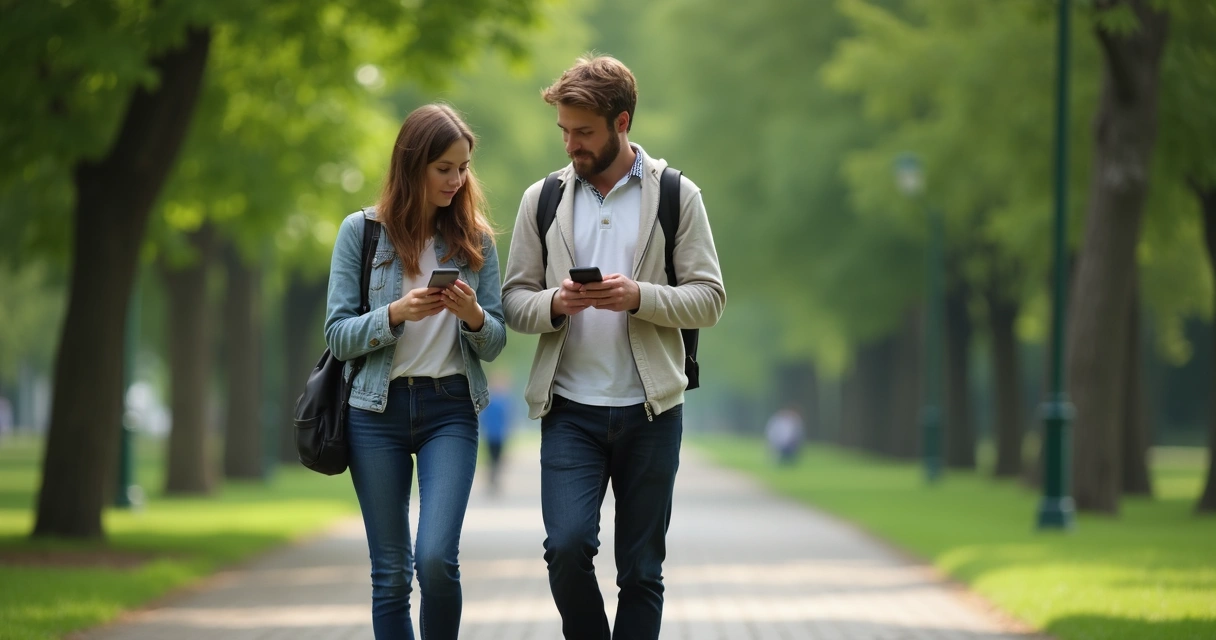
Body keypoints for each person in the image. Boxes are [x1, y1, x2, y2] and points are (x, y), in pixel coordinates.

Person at [501, 55, 726, 640]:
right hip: (570, 410)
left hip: (651, 411)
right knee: (567, 548)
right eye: (565, 132)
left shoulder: (678, 195)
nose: (571, 144)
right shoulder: (542, 199)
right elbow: (514, 301)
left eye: (584, 132)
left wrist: (639, 296)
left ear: (621, 122)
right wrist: (555, 303)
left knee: (641, 573)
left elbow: (709, 299)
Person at [324, 103, 506, 640]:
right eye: (443, 168)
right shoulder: (361, 233)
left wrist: (473, 315)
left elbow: (494, 341)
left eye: (463, 167)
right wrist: (394, 314)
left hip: (450, 408)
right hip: (374, 413)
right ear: (412, 165)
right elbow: (337, 334)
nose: (456, 180)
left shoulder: (476, 241)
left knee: (435, 559)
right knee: (391, 575)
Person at [478, 371, 514, 494]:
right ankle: (491, 481)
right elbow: (483, 418)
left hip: (500, 436)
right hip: (490, 436)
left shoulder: (504, 401)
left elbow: (508, 419)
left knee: (497, 460)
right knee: (491, 459)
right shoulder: (490, 401)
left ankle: (495, 481)